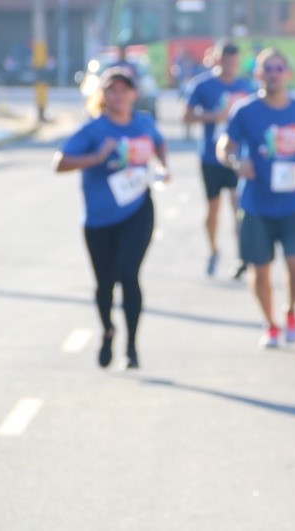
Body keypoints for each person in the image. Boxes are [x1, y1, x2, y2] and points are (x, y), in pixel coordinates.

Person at [52, 66, 170, 370]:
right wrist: (95, 158)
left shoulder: (143, 122)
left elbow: (159, 142)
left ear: (134, 93)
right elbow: (60, 163)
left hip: (138, 210)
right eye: (111, 90)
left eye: (124, 89)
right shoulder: (93, 130)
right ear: (102, 94)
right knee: (105, 283)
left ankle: (131, 345)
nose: (118, 96)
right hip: (99, 218)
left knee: (128, 274)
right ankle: (107, 330)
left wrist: (164, 167)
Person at [215, 48, 295, 348]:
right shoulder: (245, 110)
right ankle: (270, 324)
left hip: (294, 201)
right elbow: (225, 145)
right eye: (267, 69)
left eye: (279, 68)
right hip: (256, 203)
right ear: (257, 74)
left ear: (288, 74)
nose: (273, 74)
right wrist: (236, 161)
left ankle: (290, 311)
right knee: (259, 269)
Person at [183, 40, 255, 280]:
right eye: (225, 60)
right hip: (210, 157)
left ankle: (241, 256)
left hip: (236, 156)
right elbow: (187, 116)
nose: (229, 66)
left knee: (238, 207)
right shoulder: (202, 85)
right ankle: (213, 249)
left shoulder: (245, 86)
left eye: (233, 62)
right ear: (216, 59)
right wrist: (215, 116)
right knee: (213, 209)